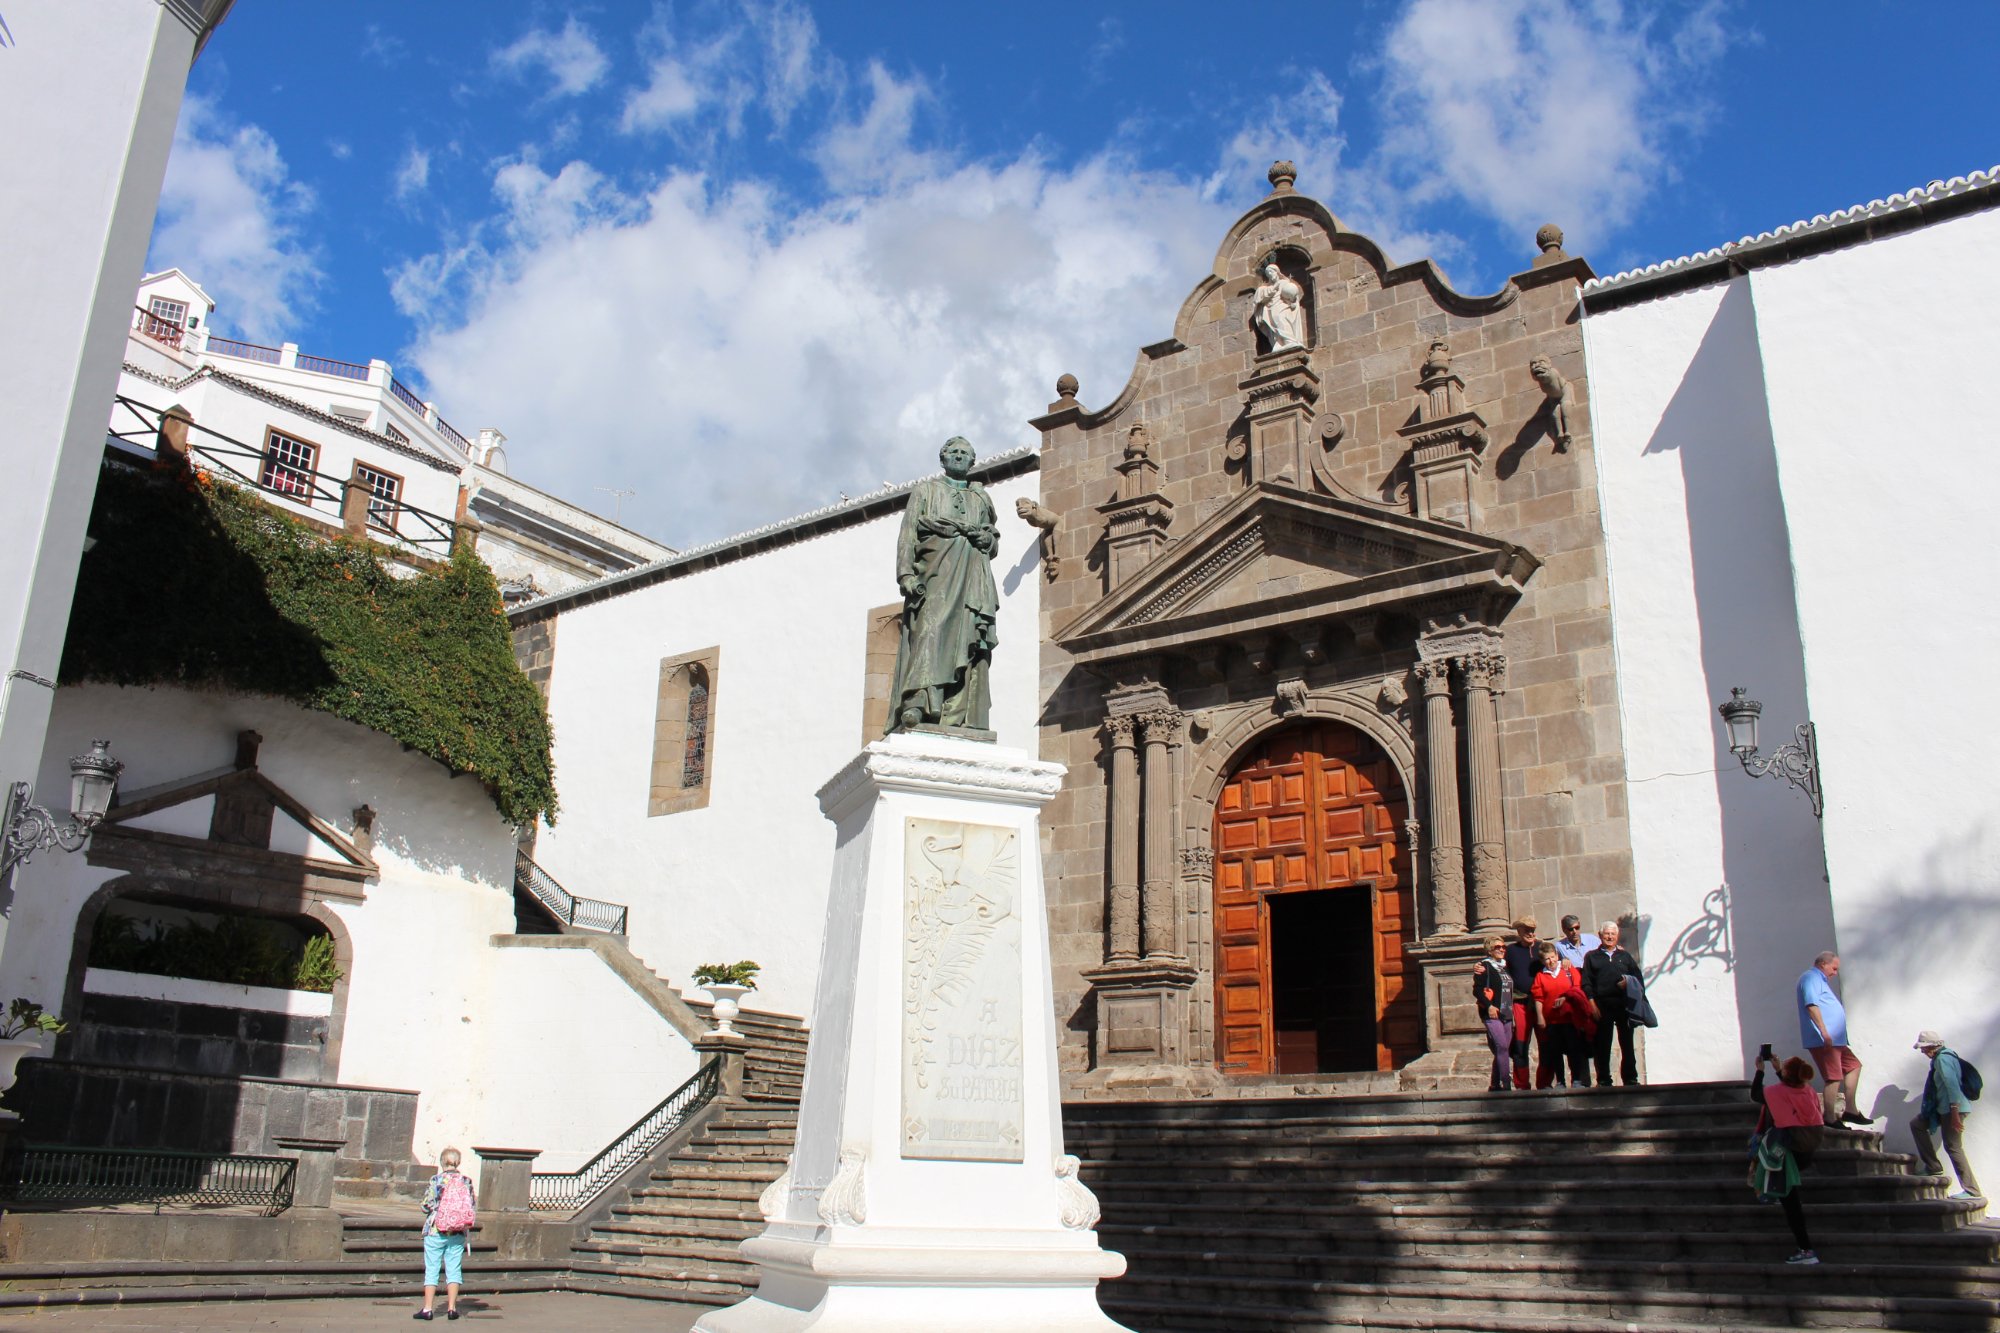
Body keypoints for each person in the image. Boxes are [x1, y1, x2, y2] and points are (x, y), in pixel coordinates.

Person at [887, 437, 1000, 733]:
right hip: (935, 574)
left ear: (973, 461)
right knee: (930, 631)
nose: (960, 456)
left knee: (970, 639)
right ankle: (918, 702)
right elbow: (908, 533)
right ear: (943, 459)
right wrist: (906, 575)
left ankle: (958, 713)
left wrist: (986, 538)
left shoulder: (981, 497)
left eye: (965, 453)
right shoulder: (926, 491)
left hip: (973, 580)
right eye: (954, 452)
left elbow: (992, 539)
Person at [1750, 1051, 1825, 1265]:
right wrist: (1778, 1069)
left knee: (1791, 1202)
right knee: (1788, 1194)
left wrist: (1760, 1071)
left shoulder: (1775, 1092)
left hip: (1788, 1147)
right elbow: (1790, 1088)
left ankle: (1806, 1249)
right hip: (1808, 1146)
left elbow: (1757, 1094)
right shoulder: (1808, 1091)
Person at [1796, 952, 1871, 1127]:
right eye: (1834, 968)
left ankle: (1851, 1110)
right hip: (1825, 1040)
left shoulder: (1820, 980)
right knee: (1833, 1077)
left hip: (1836, 1040)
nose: (1835, 973)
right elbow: (1811, 1005)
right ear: (1823, 964)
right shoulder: (1810, 978)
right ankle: (1829, 1118)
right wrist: (1824, 1032)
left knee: (1853, 1066)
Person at [1912, 1030, 1984, 1201]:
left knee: (1953, 1147)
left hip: (1953, 1109)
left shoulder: (1943, 1059)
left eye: (1924, 1048)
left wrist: (1954, 1114)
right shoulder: (1942, 1058)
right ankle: (1933, 1166)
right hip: (1943, 1108)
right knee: (1917, 1124)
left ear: (1932, 1046)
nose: (1922, 1052)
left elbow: (1952, 1086)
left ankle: (1972, 1190)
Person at [417, 1147, 476, 1321]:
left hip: (436, 1229)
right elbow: (471, 1205)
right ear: (458, 1162)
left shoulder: (436, 1180)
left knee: (432, 1269)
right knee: (454, 1269)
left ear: (442, 1162)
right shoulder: (466, 1181)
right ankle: (452, 1308)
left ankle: (428, 1309)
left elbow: (426, 1205)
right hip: (457, 1231)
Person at [1582, 920, 1642, 1086]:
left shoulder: (1625, 956)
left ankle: (1630, 1078)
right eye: (1606, 934)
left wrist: (1628, 982)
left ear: (1617, 936)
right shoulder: (1591, 957)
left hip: (1623, 1004)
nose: (1609, 937)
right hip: (1602, 1005)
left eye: (1613, 934)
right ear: (1600, 935)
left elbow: (1638, 978)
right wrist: (1592, 1005)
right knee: (1603, 1044)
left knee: (1627, 1044)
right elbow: (1586, 983)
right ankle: (1603, 1079)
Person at [1529, 940, 1596, 1088]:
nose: (1551, 961)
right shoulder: (1540, 976)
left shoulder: (1568, 970)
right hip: (1552, 1020)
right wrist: (1540, 1016)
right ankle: (1560, 1080)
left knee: (1574, 1048)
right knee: (1555, 1051)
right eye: (1547, 958)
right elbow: (1538, 997)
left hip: (1570, 1018)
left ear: (1557, 955)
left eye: (1552, 957)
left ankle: (1577, 1079)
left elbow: (1577, 987)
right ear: (1542, 960)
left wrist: (1565, 997)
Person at [1502, 917, 1542, 1090]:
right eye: (1526, 930)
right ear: (1519, 932)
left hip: (1540, 1003)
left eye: (1533, 930)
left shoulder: (1542, 947)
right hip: (1520, 1002)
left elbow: (1555, 961)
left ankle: (1544, 1083)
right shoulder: (1510, 950)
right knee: (1520, 1044)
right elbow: (1499, 967)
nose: (1531, 933)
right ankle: (1521, 1084)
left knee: (1546, 1044)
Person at [1474, 935, 1514, 1092]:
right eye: (1498, 947)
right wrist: (1489, 1006)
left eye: (1503, 947)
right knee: (1502, 1046)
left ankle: (1494, 1083)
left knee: (1502, 1049)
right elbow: (1477, 989)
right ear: (1489, 950)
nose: (1502, 949)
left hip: (1507, 1013)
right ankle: (1506, 1082)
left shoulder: (1506, 966)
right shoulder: (1484, 966)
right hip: (1492, 1013)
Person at [1252, 262, 1306, 352]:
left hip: (1282, 307)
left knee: (1280, 319)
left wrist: (1292, 301)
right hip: (1271, 308)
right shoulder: (1266, 288)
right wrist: (1273, 289)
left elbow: (1291, 294)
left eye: (1271, 272)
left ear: (1277, 272)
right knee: (1274, 324)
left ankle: (1289, 341)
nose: (1270, 275)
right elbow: (1261, 298)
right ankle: (1279, 343)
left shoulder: (1283, 283)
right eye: (1268, 274)